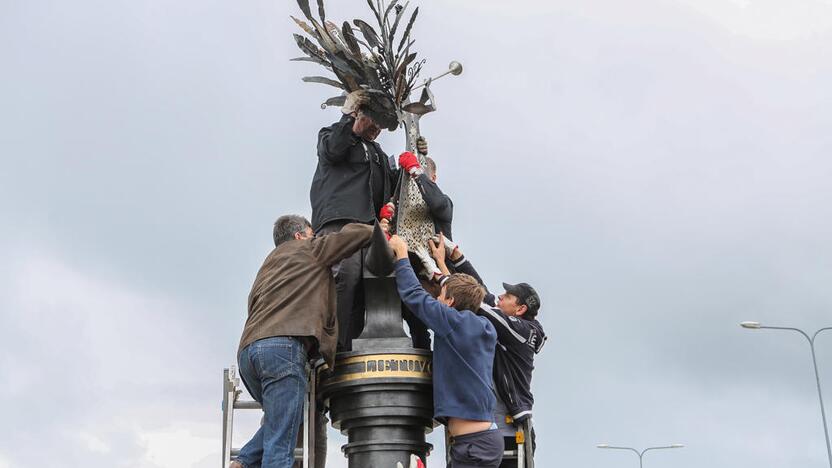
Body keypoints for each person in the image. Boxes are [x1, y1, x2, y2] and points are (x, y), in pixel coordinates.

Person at [232, 215, 373, 468]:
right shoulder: (309, 249)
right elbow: (351, 236)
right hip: (282, 350)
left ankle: (243, 462)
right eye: (312, 234)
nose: (315, 238)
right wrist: (378, 229)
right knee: (281, 448)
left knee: (285, 420)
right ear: (299, 236)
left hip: (248, 354)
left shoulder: (268, 265)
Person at [309, 90, 429, 350]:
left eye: (381, 125)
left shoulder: (377, 153)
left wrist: (419, 158)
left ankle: (353, 347)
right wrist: (348, 119)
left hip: (371, 229)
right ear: (358, 114)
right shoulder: (332, 135)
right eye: (372, 121)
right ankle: (331, 348)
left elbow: (397, 187)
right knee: (344, 279)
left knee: (370, 287)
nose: (376, 129)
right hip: (341, 223)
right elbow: (332, 151)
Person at [428, 235, 547, 467]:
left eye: (507, 297)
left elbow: (475, 300)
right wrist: (457, 257)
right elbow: (478, 291)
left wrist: (440, 274)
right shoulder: (509, 321)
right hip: (489, 427)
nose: (500, 296)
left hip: (509, 429)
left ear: (520, 309)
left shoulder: (520, 330)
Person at [389, 235, 505, 468]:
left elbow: (414, 295)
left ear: (450, 302)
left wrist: (402, 255)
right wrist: (440, 263)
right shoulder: (482, 326)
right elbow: (461, 290)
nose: (438, 300)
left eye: (440, 297)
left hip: (475, 446)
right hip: (475, 442)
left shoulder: (453, 323)